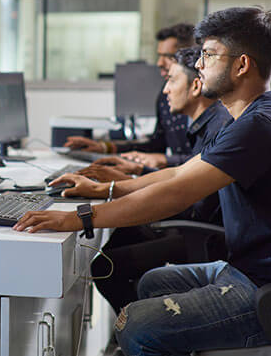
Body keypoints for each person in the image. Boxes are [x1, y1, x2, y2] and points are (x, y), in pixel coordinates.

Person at [14, 7, 271, 355]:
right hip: (255, 274)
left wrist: (79, 217)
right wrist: (105, 189)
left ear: (242, 65)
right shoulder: (246, 117)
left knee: (137, 327)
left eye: (209, 55)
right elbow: (179, 172)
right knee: (154, 282)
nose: (198, 64)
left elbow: (175, 193)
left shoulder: (258, 126)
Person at [79, 46, 233, 314]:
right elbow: (180, 176)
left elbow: (186, 197)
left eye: (171, 80)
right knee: (118, 237)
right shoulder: (207, 125)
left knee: (104, 265)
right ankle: (137, 327)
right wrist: (122, 182)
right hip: (192, 225)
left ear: (196, 85)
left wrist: (111, 191)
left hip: (201, 235)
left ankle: (138, 328)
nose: (165, 90)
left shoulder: (218, 126)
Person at [65, 24, 195, 170]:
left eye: (169, 57)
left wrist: (166, 160)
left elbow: (208, 158)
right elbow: (156, 144)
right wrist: (105, 147)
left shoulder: (210, 103)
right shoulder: (166, 96)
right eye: (159, 56)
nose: (159, 63)